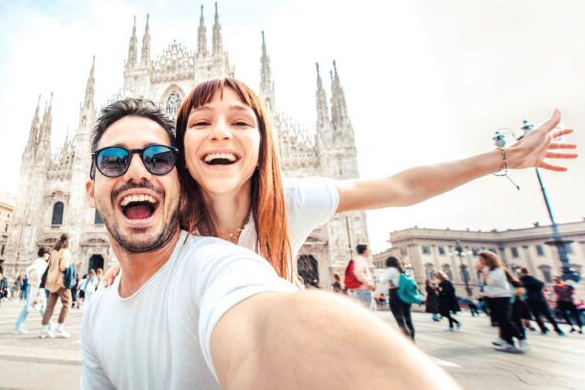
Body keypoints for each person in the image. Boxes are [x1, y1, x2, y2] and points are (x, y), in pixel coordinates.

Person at [81, 98, 458, 389]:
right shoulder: (99, 309)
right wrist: (132, 263)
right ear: (89, 190)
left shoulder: (227, 254)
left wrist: (500, 158)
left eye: (159, 160)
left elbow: (264, 325)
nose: (136, 170)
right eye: (113, 161)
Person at [103, 78, 576, 287]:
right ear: (180, 148)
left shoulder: (290, 202)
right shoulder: (170, 219)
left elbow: (403, 187)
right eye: (201, 122)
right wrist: (127, 264)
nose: (221, 132)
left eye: (241, 122)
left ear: (266, 144)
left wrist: (502, 157)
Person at [477, 251, 525, 353]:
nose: (479, 262)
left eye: (481, 260)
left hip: (502, 297)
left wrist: (482, 272)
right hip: (492, 297)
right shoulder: (487, 270)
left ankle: (520, 337)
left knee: (505, 320)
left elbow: (489, 282)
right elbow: (484, 284)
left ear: (488, 260)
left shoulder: (498, 270)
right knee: (501, 321)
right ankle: (508, 342)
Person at [39, 234, 73, 339]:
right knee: (67, 303)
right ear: (67, 242)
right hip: (60, 282)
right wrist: (72, 266)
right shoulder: (65, 252)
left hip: (51, 281)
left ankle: (44, 330)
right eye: (71, 242)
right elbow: (63, 267)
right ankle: (60, 328)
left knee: (50, 307)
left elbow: (49, 264)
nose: (71, 243)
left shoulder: (54, 251)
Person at [519, 268, 565, 336]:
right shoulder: (533, 279)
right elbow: (541, 285)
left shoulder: (521, 280)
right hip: (540, 299)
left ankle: (543, 329)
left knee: (536, 315)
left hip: (530, 300)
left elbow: (520, 289)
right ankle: (557, 328)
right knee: (548, 314)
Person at [15, 247, 50, 334]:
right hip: (36, 288)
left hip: (36, 287)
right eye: (49, 254)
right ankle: (19, 326)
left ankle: (48, 325)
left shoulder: (40, 262)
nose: (49, 256)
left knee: (41, 307)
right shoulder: (40, 263)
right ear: (45, 254)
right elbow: (34, 272)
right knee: (30, 307)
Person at [381, 256, 415, 340]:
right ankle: (412, 340)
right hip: (405, 296)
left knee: (400, 320)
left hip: (396, 295)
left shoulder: (390, 270)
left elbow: (383, 281)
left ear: (388, 263)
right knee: (408, 320)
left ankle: (407, 341)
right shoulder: (402, 270)